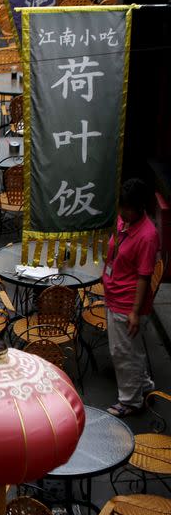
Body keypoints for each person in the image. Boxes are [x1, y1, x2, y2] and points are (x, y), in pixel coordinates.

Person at [103, 178, 160, 418]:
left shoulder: (147, 235)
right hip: (114, 292)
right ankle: (144, 385)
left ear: (140, 207)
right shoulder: (123, 222)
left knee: (122, 352)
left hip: (127, 303)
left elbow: (144, 277)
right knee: (131, 349)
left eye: (127, 208)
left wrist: (134, 312)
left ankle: (131, 401)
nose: (122, 212)